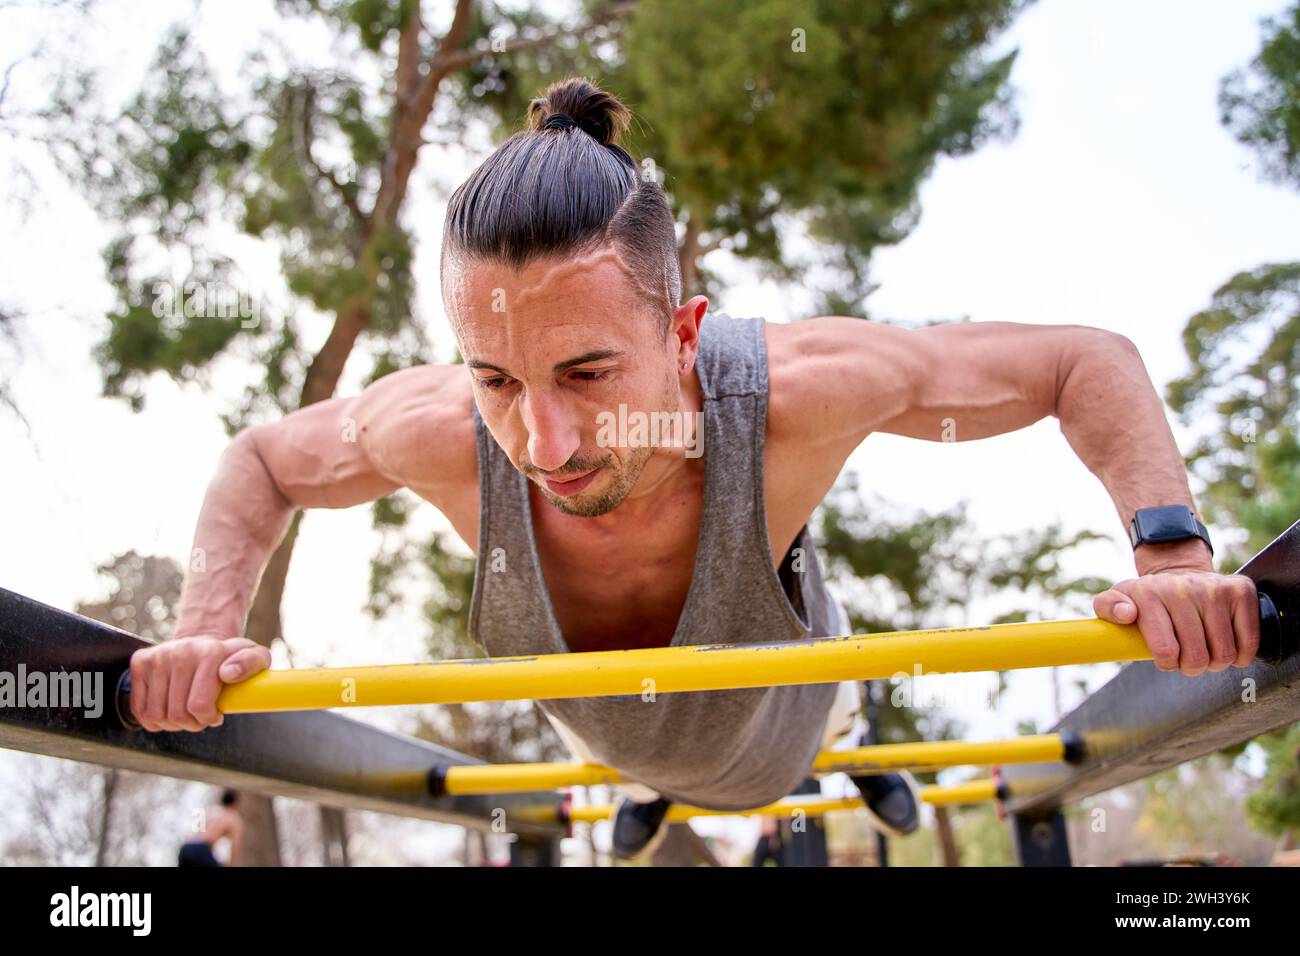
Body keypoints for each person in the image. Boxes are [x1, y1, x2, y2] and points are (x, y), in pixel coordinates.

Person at [124, 77, 1262, 861]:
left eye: (586, 371)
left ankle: (859, 748)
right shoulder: (430, 427)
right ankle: (647, 784)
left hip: (788, 706)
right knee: (614, 712)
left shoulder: (795, 390)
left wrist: (1168, 552)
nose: (546, 444)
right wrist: (198, 625)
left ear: (682, 335)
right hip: (615, 721)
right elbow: (262, 458)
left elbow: (1081, 361)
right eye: (499, 380)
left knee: (832, 690)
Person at [177, 788, 243, 867]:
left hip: (186, 848)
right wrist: (231, 864)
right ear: (235, 802)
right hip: (201, 850)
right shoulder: (233, 818)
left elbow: (200, 832)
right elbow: (234, 846)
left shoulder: (213, 811)